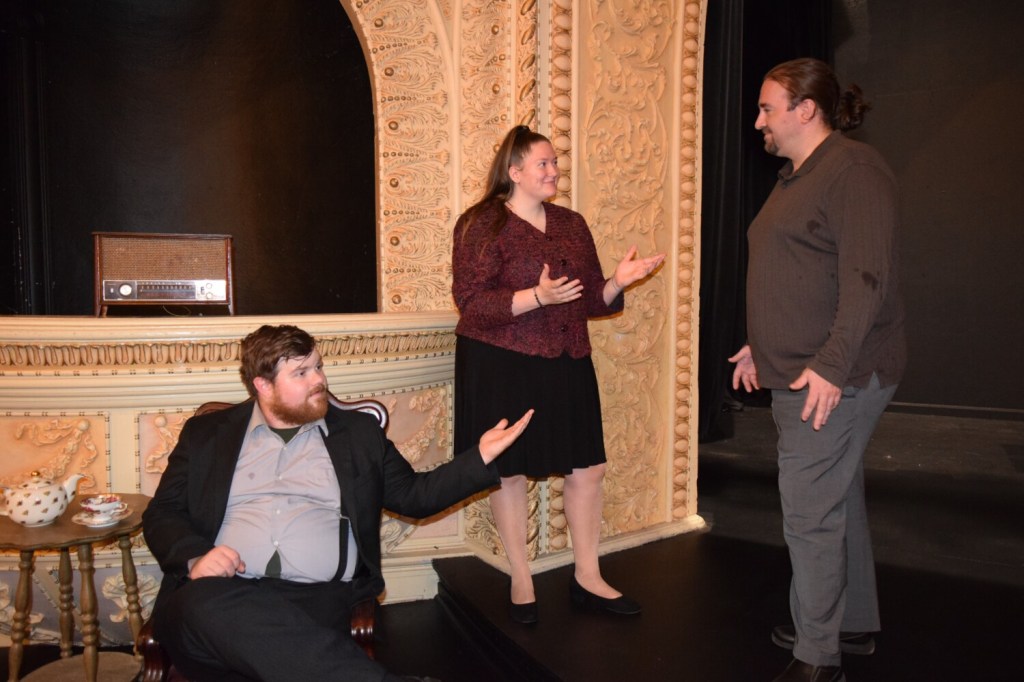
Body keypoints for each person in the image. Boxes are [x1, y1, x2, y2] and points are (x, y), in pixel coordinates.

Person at [142, 324, 533, 682]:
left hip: (315, 599)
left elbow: (415, 496)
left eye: (318, 367)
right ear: (262, 385)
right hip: (219, 595)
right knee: (205, 606)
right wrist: (196, 557)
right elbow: (162, 511)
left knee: (283, 655)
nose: (319, 381)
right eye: (301, 373)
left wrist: (478, 457)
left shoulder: (357, 434)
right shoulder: (207, 434)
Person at [729, 58, 906, 682]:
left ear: (807, 109)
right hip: (800, 369)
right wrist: (760, 344)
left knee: (809, 513)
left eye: (767, 108)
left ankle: (818, 654)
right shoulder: (795, 177)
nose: (758, 122)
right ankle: (847, 622)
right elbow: (796, 274)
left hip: (837, 378)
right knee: (836, 498)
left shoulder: (853, 172)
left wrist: (830, 367)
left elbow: (867, 281)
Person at [451, 125, 665, 624]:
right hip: (502, 360)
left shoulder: (571, 223)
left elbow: (590, 299)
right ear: (515, 171)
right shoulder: (481, 223)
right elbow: (471, 304)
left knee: (588, 468)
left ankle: (588, 577)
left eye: (554, 162)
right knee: (510, 471)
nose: (553, 171)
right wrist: (536, 298)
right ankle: (521, 577)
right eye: (543, 164)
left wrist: (616, 281)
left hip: (567, 359)